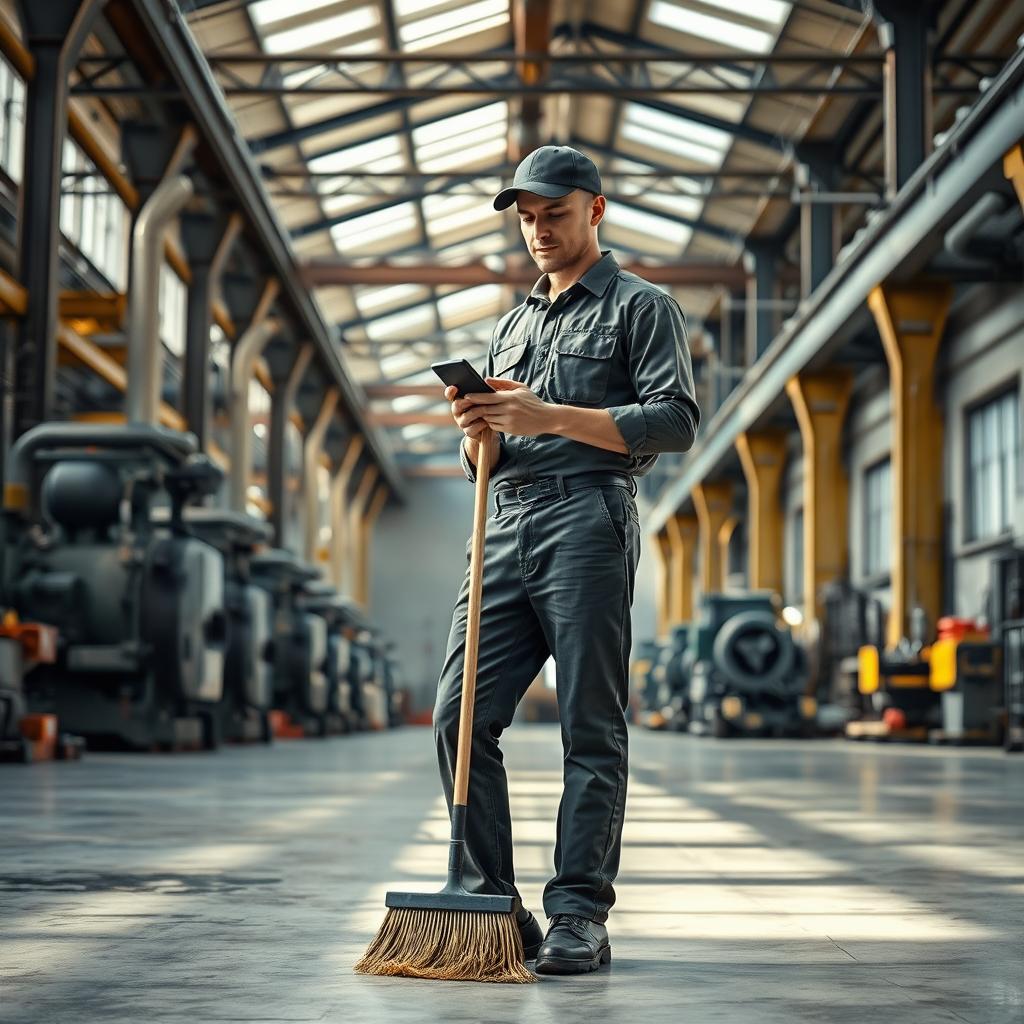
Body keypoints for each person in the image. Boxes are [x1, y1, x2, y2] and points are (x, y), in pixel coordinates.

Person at [433, 145, 700, 975]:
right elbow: (492, 456)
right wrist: (476, 434)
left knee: (590, 724)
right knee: (458, 717)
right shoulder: (513, 323)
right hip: (504, 524)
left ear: (596, 209)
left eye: (554, 212)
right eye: (526, 218)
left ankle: (580, 913)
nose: (538, 230)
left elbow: (673, 423)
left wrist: (548, 416)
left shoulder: (640, 307)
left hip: (588, 521)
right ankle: (489, 902)